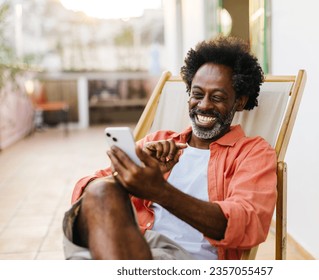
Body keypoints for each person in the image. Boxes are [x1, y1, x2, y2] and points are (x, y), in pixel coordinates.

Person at [63, 36, 277, 260]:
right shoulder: (158, 143)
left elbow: (247, 223)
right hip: (136, 243)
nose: (203, 105)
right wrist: (128, 177)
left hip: (186, 258)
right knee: (101, 190)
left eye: (217, 97)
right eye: (197, 94)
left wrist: (159, 191)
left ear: (239, 102)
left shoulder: (253, 153)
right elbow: (84, 193)